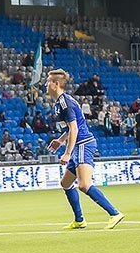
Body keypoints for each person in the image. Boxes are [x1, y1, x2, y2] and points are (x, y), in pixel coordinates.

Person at [45, 69, 124, 230]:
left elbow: (74, 129)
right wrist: (60, 141)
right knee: (66, 183)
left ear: (56, 84)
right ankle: (79, 220)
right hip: (79, 145)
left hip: (83, 144)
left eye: (48, 82)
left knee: (84, 184)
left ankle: (114, 213)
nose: (46, 85)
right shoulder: (60, 103)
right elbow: (72, 127)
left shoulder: (65, 103)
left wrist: (67, 153)